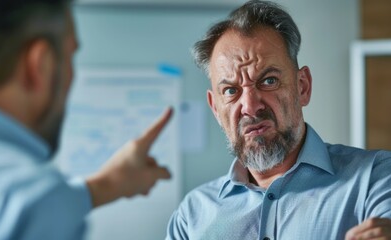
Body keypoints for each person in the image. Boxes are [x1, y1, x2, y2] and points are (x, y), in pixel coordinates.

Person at [166, 1, 391, 240]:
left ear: (302, 87)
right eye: (231, 91)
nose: (250, 107)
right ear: (215, 108)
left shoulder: (375, 179)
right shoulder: (191, 217)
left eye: (269, 81)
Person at [0, 0, 173, 239]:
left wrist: (107, 185)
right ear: (39, 65)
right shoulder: (33, 198)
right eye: (70, 57)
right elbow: (32, 202)